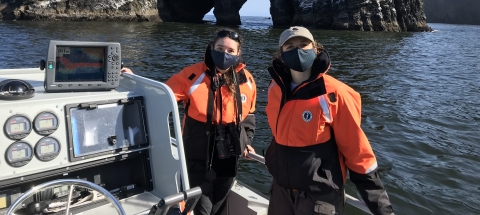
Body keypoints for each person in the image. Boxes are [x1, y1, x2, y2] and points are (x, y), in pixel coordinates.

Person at [122, 29, 257, 215]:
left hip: (228, 158)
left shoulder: (247, 80)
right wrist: (134, 80)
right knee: (202, 210)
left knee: (218, 209)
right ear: (211, 48)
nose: (225, 54)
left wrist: (246, 142)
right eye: (220, 48)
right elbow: (160, 95)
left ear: (238, 54)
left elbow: (249, 116)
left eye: (230, 51)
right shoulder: (192, 75)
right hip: (197, 158)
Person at [264, 26, 394, 215]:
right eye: (290, 47)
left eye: (303, 45)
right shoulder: (275, 88)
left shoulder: (336, 93)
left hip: (319, 197)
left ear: (315, 49)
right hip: (281, 191)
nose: (298, 51)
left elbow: (356, 149)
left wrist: (381, 207)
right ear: (281, 53)